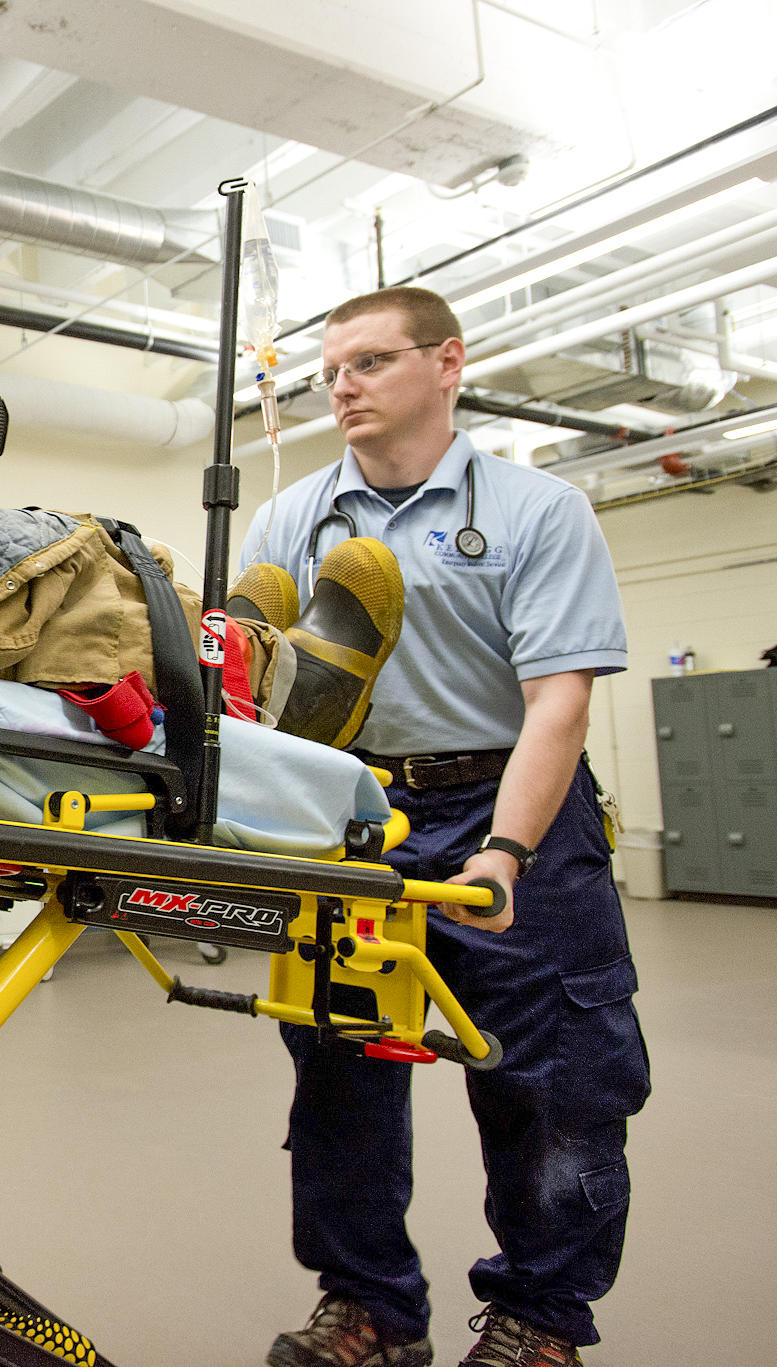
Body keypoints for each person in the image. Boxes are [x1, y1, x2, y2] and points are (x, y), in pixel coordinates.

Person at [234, 287, 648, 1367]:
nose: (343, 385)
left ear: (446, 362)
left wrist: (503, 850)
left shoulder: (534, 510)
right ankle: (368, 1305)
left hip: (509, 798)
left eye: (369, 361)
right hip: (352, 810)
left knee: (544, 1077)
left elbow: (556, 700)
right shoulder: (291, 521)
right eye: (331, 370)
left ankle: (539, 1318)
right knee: (339, 1070)